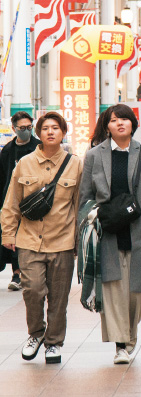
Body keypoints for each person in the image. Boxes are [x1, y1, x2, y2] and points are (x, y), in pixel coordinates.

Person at [78, 104, 141, 365]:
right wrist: (83, 233)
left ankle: (128, 335)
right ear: (106, 125)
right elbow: (85, 197)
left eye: (125, 119)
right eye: (114, 120)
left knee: (139, 293)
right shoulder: (95, 155)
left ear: (133, 124)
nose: (120, 124)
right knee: (114, 290)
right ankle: (121, 345)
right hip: (107, 231)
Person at [1, 112, 82, 365]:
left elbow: (80, 205)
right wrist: (7, 232)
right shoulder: (24, 163)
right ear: (39, 132)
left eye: (55, 128)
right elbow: (11, 201)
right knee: (33, 291)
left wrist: (80, 241)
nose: (50, 132)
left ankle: (54, 342)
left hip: (63, 241)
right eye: (45, 128)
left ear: (63, 132)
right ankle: (35, 333)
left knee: (59, 296)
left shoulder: (75, 164)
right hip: (28, 240)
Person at [0, 111, 40, 291]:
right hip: (13, 198)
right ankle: (17, 273)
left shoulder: (39, 147)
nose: (26, 131)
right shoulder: (8, 150)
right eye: (22, 128)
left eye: (29, 127)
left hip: (36, 199)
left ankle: (31, 271)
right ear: (14, 128)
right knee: (14, 235)